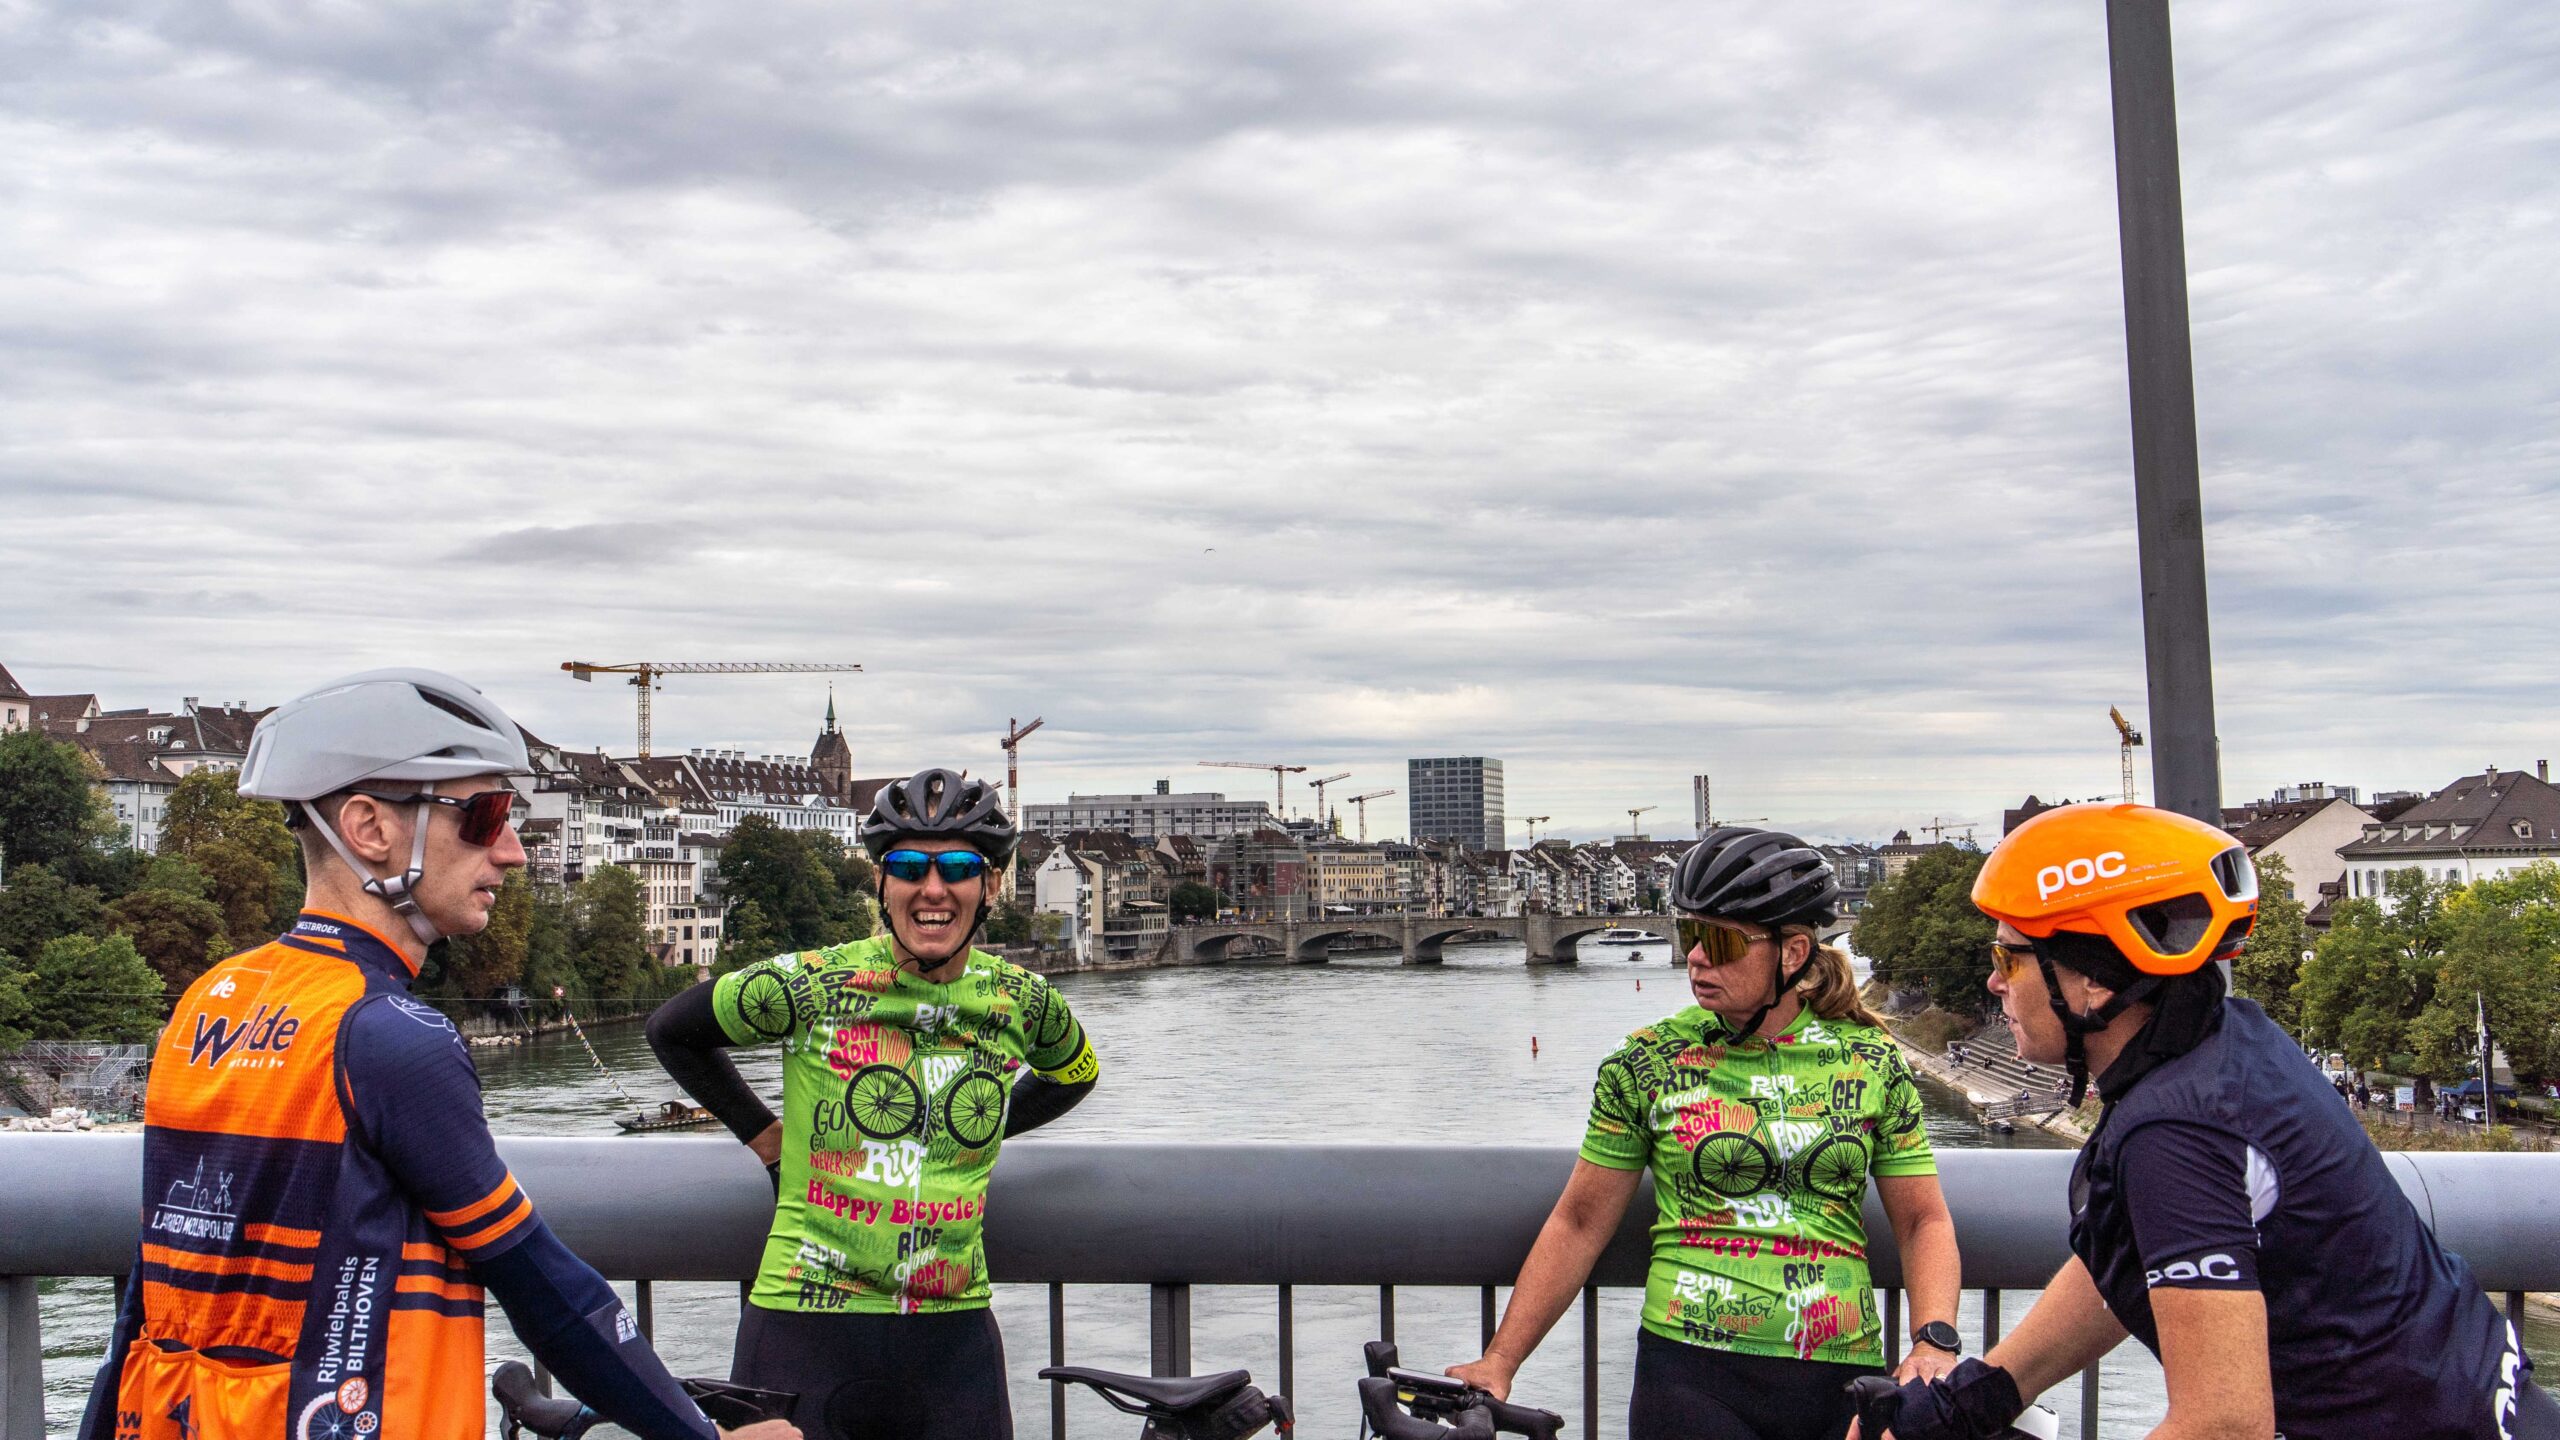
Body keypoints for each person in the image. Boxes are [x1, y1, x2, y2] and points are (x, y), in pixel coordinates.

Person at [78, 669, 794, 1440]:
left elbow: (151, 1302)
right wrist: (701, 1436)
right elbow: (544, 1290)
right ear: (369, 828)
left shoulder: (211, 1000)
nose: (513, 852)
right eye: (484, 816)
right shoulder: (387, 1034)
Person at [1858, 802, 2556, 1440]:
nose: (1994, 983)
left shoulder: (2177, 1134)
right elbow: (2130, 1258)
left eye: (2008, 957)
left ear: (2092, 980)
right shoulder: (2227, 1044)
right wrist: (1978, 1398)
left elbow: (2224, 1425)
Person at [1450, 828, 1964, 1440]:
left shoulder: (1872, 1061)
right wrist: (1500, 1361)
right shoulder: (1648, 1061)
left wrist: (1934, 1338)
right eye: (1691, 934)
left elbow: (1922, 1221)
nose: (1694, 956)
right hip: (1689, 1379)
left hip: (1843, 1380)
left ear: (1794, 952)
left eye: (1718, 941)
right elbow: (1580, 1222)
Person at [647, 767, 1099, 1440]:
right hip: (803, 1323)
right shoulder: (814, 983)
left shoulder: (1023, 999)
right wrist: (765, 1139)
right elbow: (672, 1031)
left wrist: (982, 1130)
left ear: (993, 885)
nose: (933, 888)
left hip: (951, 1337)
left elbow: (1076, 1073)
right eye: (910, 866)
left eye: (958, 868)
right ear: (882, 884)